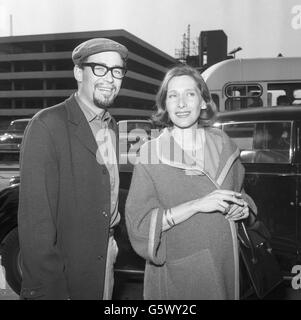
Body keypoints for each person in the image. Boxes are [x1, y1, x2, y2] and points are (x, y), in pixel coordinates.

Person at [125, 65, 257, 300]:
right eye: (173, 96)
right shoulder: (151, 154)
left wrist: (243, 208)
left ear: (204, 102)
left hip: (227, 268)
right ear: (165, 104)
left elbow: (241, 193)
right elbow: (139, 224)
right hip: (181, 276)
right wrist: (196, 205)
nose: (181, 103)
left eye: (190, 94)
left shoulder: (223, 144)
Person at [18, 38, 128, 300]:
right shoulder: (47, 125)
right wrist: (50, 290)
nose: (110, 78)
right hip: (66, 269)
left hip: (105, 255)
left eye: (117, 71)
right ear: (78, 73)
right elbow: (36, 226)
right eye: (99, 68)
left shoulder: (111, 126)